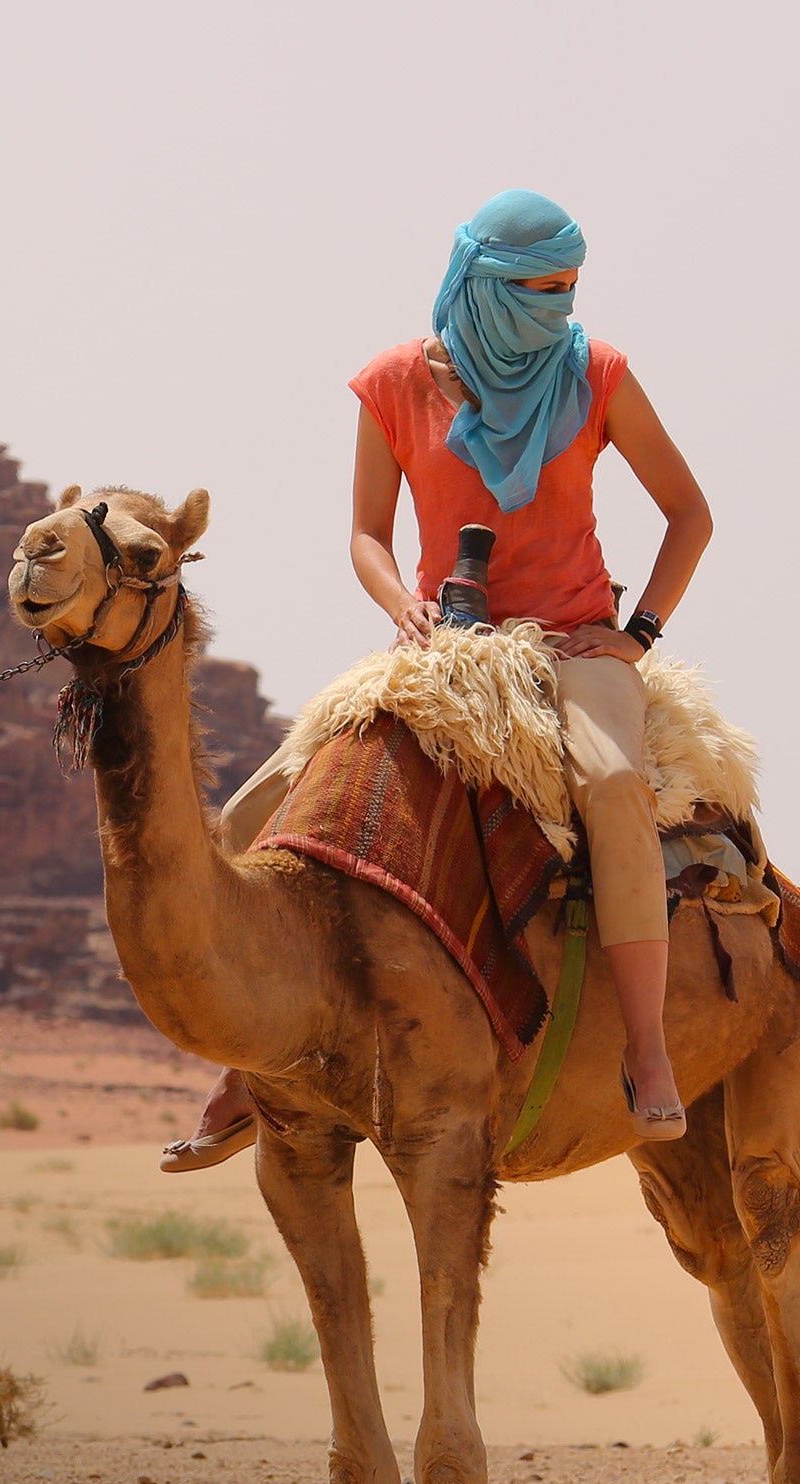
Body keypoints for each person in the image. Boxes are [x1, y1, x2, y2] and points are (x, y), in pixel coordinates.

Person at [162, 188, 713, 1171]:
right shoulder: (390, 384)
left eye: (569, 288)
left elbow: (687, 513)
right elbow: (366, 534)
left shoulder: (595, 374)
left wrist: (634, 636)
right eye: (539, 289)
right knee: (262, 807)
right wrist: (398, 608)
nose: (559, 306)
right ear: (482, 286)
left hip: (568, 644)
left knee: (615, 789)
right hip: (440, 648)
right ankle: (245, 1061)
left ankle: (644, 1046)